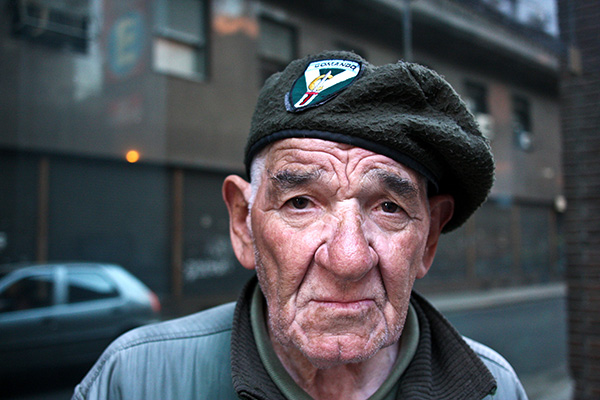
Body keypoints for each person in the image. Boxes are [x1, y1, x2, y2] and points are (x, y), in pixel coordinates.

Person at [72, 50, 528, 400]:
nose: (348, 259)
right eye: (301, 202)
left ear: (428, 238)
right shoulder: (135, 382)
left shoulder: (496, 390)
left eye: (389, 208)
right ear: (244, 224)